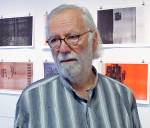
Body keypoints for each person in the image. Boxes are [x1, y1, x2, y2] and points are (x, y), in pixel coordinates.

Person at [14, 4, 141, 128]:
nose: (63, 49)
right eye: (54, 40)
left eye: (73, 37)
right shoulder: (31, 99)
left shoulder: (123, 95)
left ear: (94, 40)